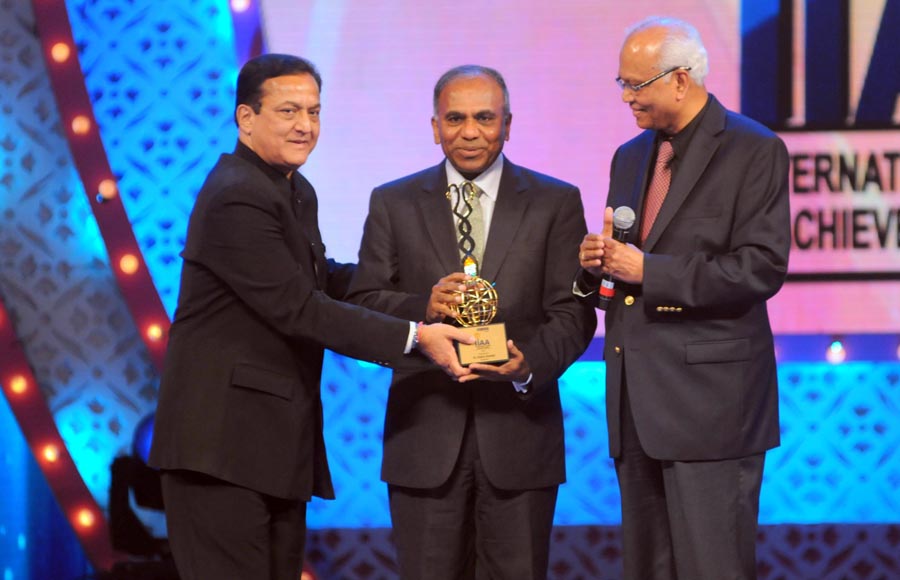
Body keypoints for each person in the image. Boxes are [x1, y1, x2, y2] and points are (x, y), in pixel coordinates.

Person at [148, 53, 473, 580]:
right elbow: (299, 308)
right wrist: (415, 337)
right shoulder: (238, 196)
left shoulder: (292, 189)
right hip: (219, 450)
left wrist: (423, 301)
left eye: (314, 111)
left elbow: (320, 277)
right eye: (288, 111)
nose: (305, 125)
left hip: (270, 446)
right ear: (245, 118)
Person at [348, 65, 597, 579]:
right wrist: (424, 306)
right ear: (435, 125)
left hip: (520, 437)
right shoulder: (392, 203)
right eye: (455, 118)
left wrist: (530, 365)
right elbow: (364, 301)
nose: (469, 131)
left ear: (508, 123)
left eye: (484, 117)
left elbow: (573, 312)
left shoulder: (555, 202)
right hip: (423, 437)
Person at [575, 17, 791, 580]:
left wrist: (651, 271)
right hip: (636, 405)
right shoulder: (629, 156)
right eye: (620, 83)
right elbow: (621, 276)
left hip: (711, 407)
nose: (626, 97)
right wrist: (598, 269)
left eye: (635, 85)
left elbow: (760, 268)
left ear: (680, 79)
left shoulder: (754, 150)